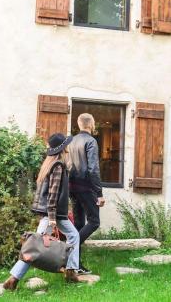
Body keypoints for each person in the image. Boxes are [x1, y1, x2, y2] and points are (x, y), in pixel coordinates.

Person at [3, 133, 80, 290]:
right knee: (34, 246)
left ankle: (71, 271)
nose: (68, 147)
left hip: (55, 213)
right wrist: (52, 217)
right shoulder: (58, 166)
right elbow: (52, 194)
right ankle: (13, 279)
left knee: (73, 235)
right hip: (52, 213)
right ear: (62, 148)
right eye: (66, 145)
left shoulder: (50, 164)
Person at [68, 113, 105, 275]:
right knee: (94, 221)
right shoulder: (91, 141)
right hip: (86, 188)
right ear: (91, 124)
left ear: (79, 124)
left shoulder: (71, 141)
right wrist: (99, 193)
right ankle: (69, 248)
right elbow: (93, 169)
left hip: (72, 188)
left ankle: (75, 265)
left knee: (79, 225)